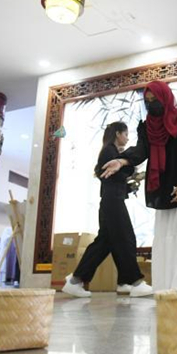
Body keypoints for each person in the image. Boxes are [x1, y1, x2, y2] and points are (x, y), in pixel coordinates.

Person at [101, 81, 177, 291]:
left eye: (156, 100)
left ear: (166, 98)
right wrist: (122, 161)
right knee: (169, 240)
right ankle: (169, 291)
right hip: (165, 191)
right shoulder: (147, 127)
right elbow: (141, 150)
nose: (152, 104)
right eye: (148, 101)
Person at [62, 122, 152, 298]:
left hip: (111, 200)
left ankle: (79, 280)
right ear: (117, 134)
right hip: (113, 202)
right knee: (126, 238)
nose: (127, 138)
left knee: (105, 243)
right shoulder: (110, 151)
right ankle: (134, 281)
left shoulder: (110, 151)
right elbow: (111, 176)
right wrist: (130, 168)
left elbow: (111, 178)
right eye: (125, 134)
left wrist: (129, 182)